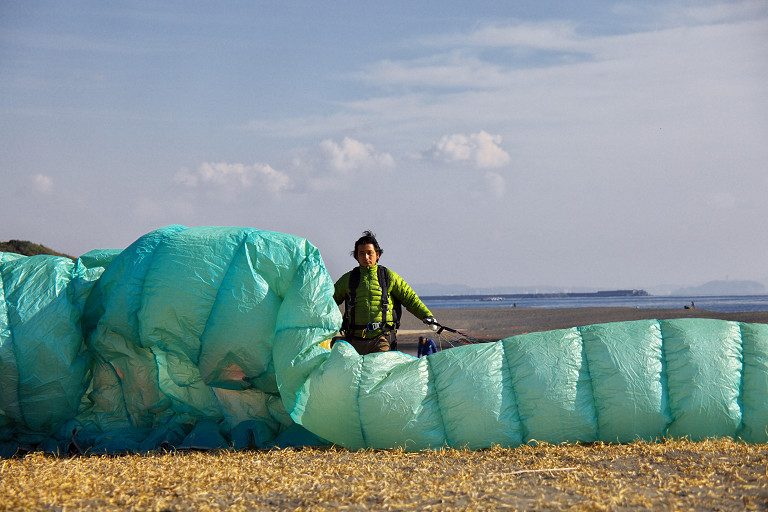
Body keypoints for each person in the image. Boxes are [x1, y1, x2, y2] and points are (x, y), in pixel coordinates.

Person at [333, 230, 437, 355]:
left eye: (369, 253)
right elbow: (329, 303)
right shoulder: (347, 280)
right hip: (355, 341)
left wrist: (427, 316)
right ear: (356, 256)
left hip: (382, 340)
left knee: (380, 372)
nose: (366, 257)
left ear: (377, 255)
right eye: (362, 253)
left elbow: (410, 299)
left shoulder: (389, 277)